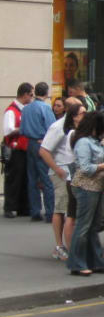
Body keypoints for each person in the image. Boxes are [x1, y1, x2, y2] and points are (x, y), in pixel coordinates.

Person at [68, 111, 104, 276]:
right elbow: (85, 168)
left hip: (96, 187)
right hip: (85, 187)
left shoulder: (97, 142)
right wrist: (102, 167)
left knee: (94, 227)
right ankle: (77, 263)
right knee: (83, 226)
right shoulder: (83, 142)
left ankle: (97, 262)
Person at [39, 99, 84, 261]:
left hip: (72, 172)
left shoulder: (77, 127)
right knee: (62, 209)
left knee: (70, 210)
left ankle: (70, 245)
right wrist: (58, 170)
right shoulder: (58, 126)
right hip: (62, 171)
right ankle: (59, 246)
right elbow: (44, 150)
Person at [20, 81, 56, 222]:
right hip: (42, 143)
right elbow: (52, 128)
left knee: (32, 178)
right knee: (47, 179)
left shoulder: (26, 108)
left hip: (30, 143)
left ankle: (35, 211)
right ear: (46, 93)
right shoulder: (45, 108)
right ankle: (50, 213)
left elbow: (22, 130)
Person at [2, 82, 33, 218]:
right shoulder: (11, 111)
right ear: (25, 95)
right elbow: (8, 130)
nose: (32, 98)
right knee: (14, 179)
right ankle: (9, 207)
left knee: (24, 178)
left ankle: (23, 207)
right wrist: (23, 129)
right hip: (15, 150)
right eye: (31, 95)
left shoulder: (24, 109)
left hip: (24, 149)